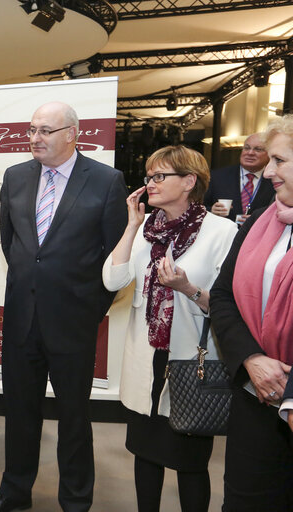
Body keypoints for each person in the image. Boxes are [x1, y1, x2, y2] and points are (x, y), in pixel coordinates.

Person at [0, 102, 127, 512]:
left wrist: (90, 308)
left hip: (74, 323)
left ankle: (76, 500)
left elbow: (116, 253)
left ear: (72, 133)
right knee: (19, 415)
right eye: (31, 130)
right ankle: (15, 493)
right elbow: (14, 244)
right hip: (22, 319)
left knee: (74, 419)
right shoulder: (15, 177)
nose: (34, 138)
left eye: (45, 130)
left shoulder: (105, 181)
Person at [102, 146, 237, 512]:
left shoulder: (222, 231)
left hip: (190, 363)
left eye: (160, 176)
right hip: (146, 359)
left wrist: (187, 288)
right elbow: (113, 279)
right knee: (146, 455)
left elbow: (228, 306)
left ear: (189, 181)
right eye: (149, 177)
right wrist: (131, 224)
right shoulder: (147, 227)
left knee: (189, 462)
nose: (151, 184)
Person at [210, 116, 293, 511]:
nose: (268, 170)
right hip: (254, 397)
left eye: (279, 160)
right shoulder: (262, 220)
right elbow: (223, 297)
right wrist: (252, 359)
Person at [203, 133, 274, 222]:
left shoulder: (274, 180)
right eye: (246, 148)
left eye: (258, 149)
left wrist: (260, 220)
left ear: (269, 154)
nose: (250, 153)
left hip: (258, 233)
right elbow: (198, 208)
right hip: (224, 233)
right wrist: (211, 211)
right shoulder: (216, 177)